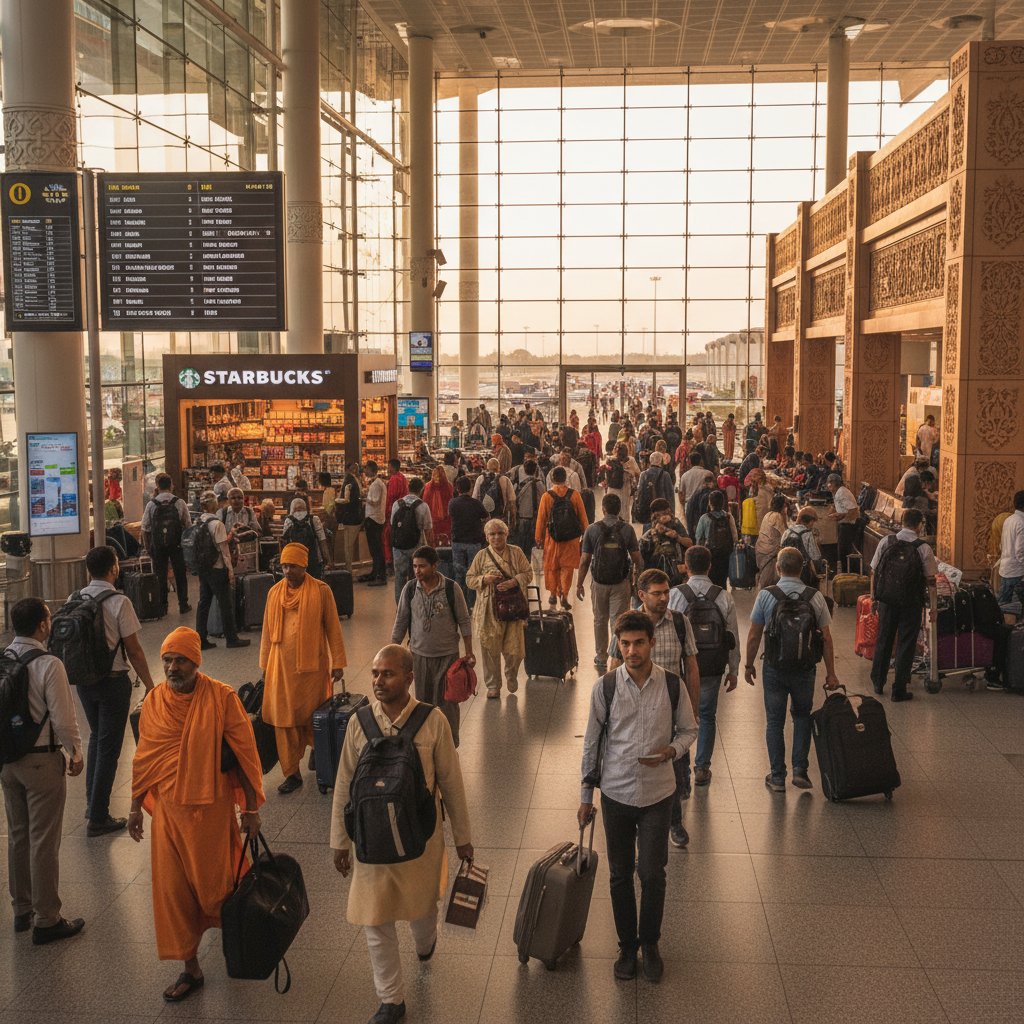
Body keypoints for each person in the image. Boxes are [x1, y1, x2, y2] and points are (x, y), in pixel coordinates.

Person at [331, 645, 472, 1024]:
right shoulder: (359, 722)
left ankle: (425, 944)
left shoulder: (433, 721)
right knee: (375, 920)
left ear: (409, 678)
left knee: (421, 908)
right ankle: (391, 999)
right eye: (375, 673)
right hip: (370, 840)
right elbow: (345, 782)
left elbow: (452, 783)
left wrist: (463, 837)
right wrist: (339, 842)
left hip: (420, 842)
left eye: (388, 674)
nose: (378, 681)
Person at [129, 626, 264, 1002]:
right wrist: (135, 806)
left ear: (196, 662)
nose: (173, 667)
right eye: (168, 660)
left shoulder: (221, 697)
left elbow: (246, 755)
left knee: (221, 888)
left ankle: (241, 946)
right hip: (169, 819)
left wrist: (251, 809)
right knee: (174, 893)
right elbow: (144, 760)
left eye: (181, 660)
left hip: (211, 813)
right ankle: (190, 967)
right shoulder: (154, 701)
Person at [578, 610, 698, 983]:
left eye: (639, 643)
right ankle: (627, 946)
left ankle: (651, 943)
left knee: (652, 873)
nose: (631, 650)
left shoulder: (673, 685)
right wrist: (585, 795)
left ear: (652, 643)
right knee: (618, 874)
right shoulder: (606, 687)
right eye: (625, 644)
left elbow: (689, 729)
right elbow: (592, 743)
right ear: (618, 644)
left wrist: (672, 752)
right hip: (615, 793)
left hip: (658, 794)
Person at [1, 597, 84, 944]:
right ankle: (47, 919)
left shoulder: (3, 658)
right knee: (43, 842)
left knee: (18, 834)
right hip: (41, 761)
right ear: (42, 625)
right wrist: (76, 751)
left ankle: (21, 909)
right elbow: (63, 719)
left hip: (8, 761)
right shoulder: (49, 664)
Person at [58, 545, 157, 835]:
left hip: (85, 682)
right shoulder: (118, 601)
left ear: (89, 570)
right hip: (113, 682)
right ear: (114, 568)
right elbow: (135, 650)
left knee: (97, 741)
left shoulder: (74, 598)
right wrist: (151, 685)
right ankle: (98, 817)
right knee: (109, 748)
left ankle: (93, 806)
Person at [606, 570, 699, 849]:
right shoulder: (629, 623)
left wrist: (692, 708)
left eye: (666, 592)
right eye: (657, 593)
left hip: (670, 708)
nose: (663, 598)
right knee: (636, 761)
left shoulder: (680, 622)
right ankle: (635, 822)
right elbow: (613, 664)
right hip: (634, 709)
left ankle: (674, 821)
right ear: (641, 594)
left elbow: (691, 666)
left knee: (674, 767)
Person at [744, 547, 840, 792]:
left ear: (777, 568)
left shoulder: (767, 595)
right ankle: (800, 770)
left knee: (774, 721)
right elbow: (826, 638)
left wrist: (748, 664)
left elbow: (754, 634)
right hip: (805, 668)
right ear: (802, 569)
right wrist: (831, 672)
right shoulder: (814, 597)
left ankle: (777, 777)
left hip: (775, 667)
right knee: (802, 716)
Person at [260, 542, 347, 794]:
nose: (287, 571)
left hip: (312, 671)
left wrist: (338, 661)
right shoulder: (274, 593)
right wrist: (265, 664)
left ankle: (319, 759)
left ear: (304, 566)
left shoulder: (321, 591)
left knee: (313, 717)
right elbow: (266, 632)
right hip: (281, 671)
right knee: (284, 721)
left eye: (293, 566)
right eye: (284, 566)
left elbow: (333, 627)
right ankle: (292, 773)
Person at [668, 546, 740, 796]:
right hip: (711, 664)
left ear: (686, 567)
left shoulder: (675, 594)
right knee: (707, 716)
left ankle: (681, 769)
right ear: (710, 566)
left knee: (679, 718)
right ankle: (702, 767)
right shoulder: (723, 596)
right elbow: (732, 635)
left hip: (681, 665)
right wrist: (734, 669)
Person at [392, 546, 474, 746]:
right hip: (419, 656)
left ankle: (450, 743)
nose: (417, 571)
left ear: (435, 566)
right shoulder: (410, 588)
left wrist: (469, 652)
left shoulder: (451, 588)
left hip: (448, 657)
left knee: (448, 703)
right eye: (415, 566)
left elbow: (464, 621)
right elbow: (401, 621)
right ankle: (427, 742)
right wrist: (392, 651)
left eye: (422, 566)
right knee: (423, 702)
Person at [870, 508, 937, 702]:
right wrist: (933, 607)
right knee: (906, 642)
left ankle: (877, 681)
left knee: (884, 638)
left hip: (887, 600)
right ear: (919, 525)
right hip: (911, 602)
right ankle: (899, 688)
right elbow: (931, 580)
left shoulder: (886, 541)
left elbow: (874, 571)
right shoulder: (923, 548)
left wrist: (874, 598)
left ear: (902, 521)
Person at [466, 519, 533, 698]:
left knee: (515, 649)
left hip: (513, 608)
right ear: (487, 537)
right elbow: (469, 579)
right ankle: (493, 685)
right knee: (489, 647)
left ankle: (511, 674)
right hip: (489, 611)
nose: (496, 537)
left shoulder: (516, 552)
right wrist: (484, 579)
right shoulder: (481, 555)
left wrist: (514, 581)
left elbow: (528, 573)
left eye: (500, 533)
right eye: (492, 534)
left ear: (506, 534)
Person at [577, 493, 642, 673]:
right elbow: (637, 558)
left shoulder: (592, 529)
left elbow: (584, 560)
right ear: (619, 509)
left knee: (599, 619)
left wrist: (579, 583)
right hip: (620, 583)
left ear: (603, 509)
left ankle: (601, 657)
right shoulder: (627, 529)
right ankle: (618, 654)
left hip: (598, 582)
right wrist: (637, 579)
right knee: (618, 620)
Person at [536, 465, 590, 610]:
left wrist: (539, 538)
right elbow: (582, 516)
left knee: (552, 567)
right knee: (567, 568)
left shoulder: (547, 496)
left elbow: (541, 519)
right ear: (565, 479)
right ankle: (564, 595)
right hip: (571, 539)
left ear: (552, 479)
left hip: (552, 538)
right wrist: (586, 534)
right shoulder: (574, 495)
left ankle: (553, 593)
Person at [141, 472, 192, 616]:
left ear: (157, 486)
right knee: (180, 574)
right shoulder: (179, 502)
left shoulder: (152, 504)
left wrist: (148, 548)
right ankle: (183, 604)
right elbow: (188, 525)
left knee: (160, 576)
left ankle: (163, 606)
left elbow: (145, 528)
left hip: (158, 546)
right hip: (177, 545)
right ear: (171, 485)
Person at [390, 477, 434, 603]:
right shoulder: (423, 506)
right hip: (417, 546)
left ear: (408, 489)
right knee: (417, 576)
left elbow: (392, 523)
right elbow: (428, 530)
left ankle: (400, 606)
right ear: (422, 490)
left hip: (398, 547)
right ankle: (415, 602)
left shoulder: (396, 504)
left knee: (399, 576)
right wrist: (431, 549)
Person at [448, 475, 487, 608]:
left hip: (457, 541)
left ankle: (460, 604)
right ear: (470, 488)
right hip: (473, 542)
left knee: (459, 574)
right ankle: (472, 604)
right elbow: (485, 516)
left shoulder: (452, 503)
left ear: (457, 488)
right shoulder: (476, 503)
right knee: (473, 574)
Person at [694, 489, 737, 587]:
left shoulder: (704, 518)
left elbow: (698, 538)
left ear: (710, 503)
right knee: (722, 582)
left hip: (710, 555)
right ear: (722, 503)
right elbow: (735, 537)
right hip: (726, 554)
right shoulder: (728, 516)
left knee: (710, 582)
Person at [282, 497, 332, 580]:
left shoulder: (288, 520)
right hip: (313, 559)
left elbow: (285, 543)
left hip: (296, 560)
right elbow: (322, 541)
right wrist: (328, 560)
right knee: (314, 582)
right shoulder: (314, 519)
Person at [358, 461, 388, 587]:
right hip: (377, 518)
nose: (365, 471)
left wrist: (364, 498)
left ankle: (380, 576)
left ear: (371, 470)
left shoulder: (376, 484)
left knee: (376, 549)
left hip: (374, 519)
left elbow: (375, 501)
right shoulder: (378, 483)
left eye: (366, 469)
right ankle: (375, 573)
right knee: (375, 549)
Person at [781, 507, 825, 587]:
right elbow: (815, 555)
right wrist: (819, 570)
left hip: (786, 569)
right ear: (811, 521)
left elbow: (781, 549)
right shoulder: (807, 534)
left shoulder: (787, 532)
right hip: (801, 571)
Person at [826, 473, 861, 573]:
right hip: (844, 524)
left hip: (848, 526)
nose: (827, 486)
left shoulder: (841, 492)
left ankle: (846, 574)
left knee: (844, 552)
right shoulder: (838, 492)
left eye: (828, 483)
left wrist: (840, 516)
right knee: (841, 551)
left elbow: (853, 510)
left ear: (832, 483)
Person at [510, 457, 545, 554]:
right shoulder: (539, 484)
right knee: (532, 543)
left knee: (521, 542)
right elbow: (544, 498)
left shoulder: (519, 485)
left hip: (521, 516)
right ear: (535, 470)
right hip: (534, 517)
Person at [334, 463, 364, 573]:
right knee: (349, 545)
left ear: (347, 469)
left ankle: (348, 570)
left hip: (350, 518)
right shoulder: (356, 480)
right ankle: (349, 568)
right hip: (357, 516)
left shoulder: (348, 481)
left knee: (348, 546)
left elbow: (346, 500)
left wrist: (335, 500)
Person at [633, 452, 675, 530]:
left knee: (647, 531)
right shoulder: (666, 475)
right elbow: (670, 496)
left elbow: (639, 493)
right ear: (661, 461)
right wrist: (672, 513)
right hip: (662, 510)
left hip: (647, 509)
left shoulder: (643, 474)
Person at [601, 442, 641, 524]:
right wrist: (635, 486)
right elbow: (638, 474)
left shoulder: (610, 460)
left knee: (611, 509)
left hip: (612, 490)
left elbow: (606, 478)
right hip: (625, 489)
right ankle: (624, 527)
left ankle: (611, 525)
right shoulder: (631, 460)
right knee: (624, 509)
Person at [754, 493, 789, 582]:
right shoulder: (777, 516)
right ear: (783, 505)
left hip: (760, 549)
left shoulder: (768, 514)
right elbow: (785, 535)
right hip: (769, 551)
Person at [998, 490, 1024, 606]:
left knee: (1003, 605)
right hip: (1017, 572)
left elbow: (1002, 544)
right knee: (1015, 608)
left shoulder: (1009, 520)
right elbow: (1020, 551)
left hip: (1005, 569)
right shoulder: (1021, 523)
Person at [423, 465, 454, 545]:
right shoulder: (448, 486)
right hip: (437, 522)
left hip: (438, 521)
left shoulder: (427, 486)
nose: (436, 478)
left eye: (437, 476)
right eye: (434, 476)